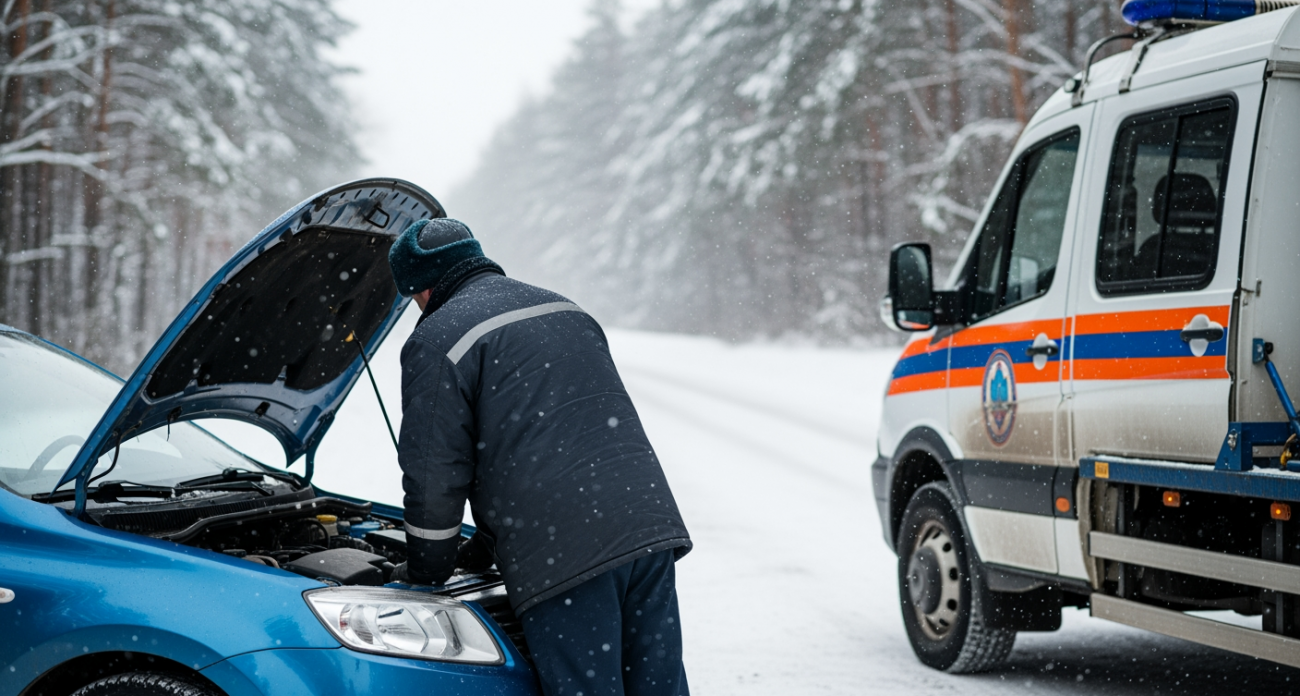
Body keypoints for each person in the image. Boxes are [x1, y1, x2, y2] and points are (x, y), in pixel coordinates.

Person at [387, 217, 692, 696]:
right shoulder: (563, 307)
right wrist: (483, 547)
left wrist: (426, 569)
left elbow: (434, 476)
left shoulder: (438, 338)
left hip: (565, 555)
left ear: (419, 289)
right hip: (646, 528)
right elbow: (554, 435)